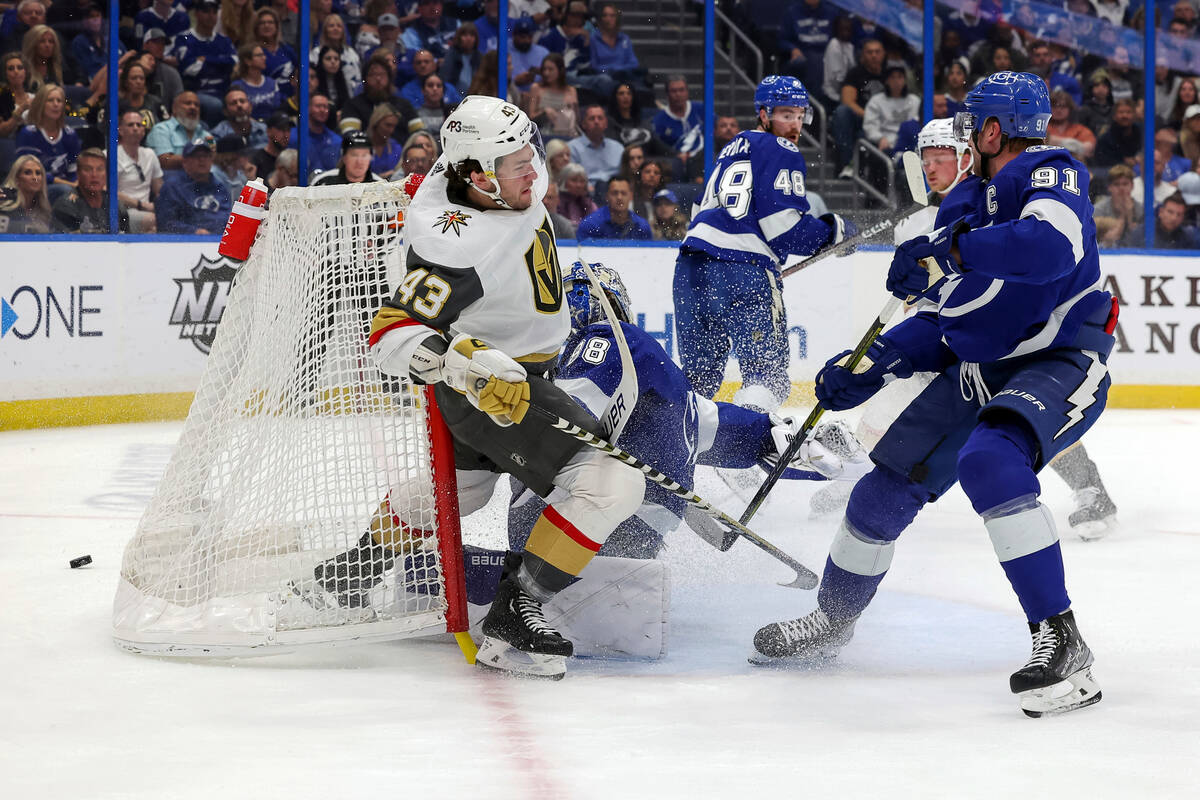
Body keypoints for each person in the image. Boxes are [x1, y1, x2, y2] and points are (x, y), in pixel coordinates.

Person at [754, 72, 1114, 719]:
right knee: (879, 493)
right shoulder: (963, 204)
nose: (965, 137)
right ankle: (833, 620)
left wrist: (952, 248)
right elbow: (948, 325)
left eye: (972, 125)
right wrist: (876, 362)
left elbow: (1049, 247)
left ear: (994, 130)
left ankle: (1063, 644)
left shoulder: (1049, 172)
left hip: (1061, 360)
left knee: (991, 460)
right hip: (978, 369)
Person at [310, 96, 646, 680]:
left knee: (462, 490)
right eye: (512, 161)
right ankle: (516, 618)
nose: (531, 168)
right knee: (611, 482)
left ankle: (347, 575)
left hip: (512, 369)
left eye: (527, 152)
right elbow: (390, 333)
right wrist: (462, 364)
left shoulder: (476, 179)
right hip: (497, 388)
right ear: (474, 174)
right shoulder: (456, 249)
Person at [673, 75, 854, 413]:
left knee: (697, 382)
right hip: (743, 268)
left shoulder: (731, 149)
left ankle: (672, 454)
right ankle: (742, 460)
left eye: (801, 116)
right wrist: (833, 232)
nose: (795, 125)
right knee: (766, 378)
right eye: (786, 114)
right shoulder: (781, 148)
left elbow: (702, 213)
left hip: (690, 269)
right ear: (764, 113)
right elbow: (784, 228)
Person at [173, 0, 238, 126]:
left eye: (214, 12)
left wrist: (206, 60)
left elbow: (234, 62)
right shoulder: (185, 38)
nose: (211, 16)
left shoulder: (223, 40)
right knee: (215, 105)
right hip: (198, 91)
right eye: (206, 11)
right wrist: (221, 62)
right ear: (197, 14)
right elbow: (189, 68)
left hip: (224, 89)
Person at [15, 83, 80, 202]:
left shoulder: (70, 134)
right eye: (50, 100)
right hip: (36, 188)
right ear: (41, 104)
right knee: (64, 190)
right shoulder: (29, 134)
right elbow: (27, 172)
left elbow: (73, 170)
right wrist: (71, 186)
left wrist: (76, 186)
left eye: (59, 101)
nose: (56, 104)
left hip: (66, 187)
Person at [154, 135, 232, 233]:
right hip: (185, 243)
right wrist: (193, 231)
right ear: (185, 162)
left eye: (206, 156)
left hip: (218, 240)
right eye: (196, 156)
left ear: (211, 160)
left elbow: (228, 219)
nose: (202, 160)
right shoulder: (172, 187)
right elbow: (165, 223)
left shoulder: (220, 187)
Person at [831, 38, 885, 178]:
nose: (873, 55)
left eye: (877, 52)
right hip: (860, 119)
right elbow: (847, 101)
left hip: (886, 120)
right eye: (869, 52)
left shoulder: (890, 74)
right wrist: (869, 116)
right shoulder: (855, 73)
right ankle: (847, 165)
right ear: (862, 55)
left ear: (883, 54)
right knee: (842, 112)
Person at [339, 51, 423, 139]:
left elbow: (420, 132)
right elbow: (350, 136)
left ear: (389, 78)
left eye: (382, 74)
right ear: (365, 80)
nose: (378, 79)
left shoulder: (403, 105)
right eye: (373, 75)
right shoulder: (353, 105)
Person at [51, 147, 128, 233]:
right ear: (78, 174)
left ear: (106, 174)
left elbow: (128, 240)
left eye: (100, 169)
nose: (94, 174)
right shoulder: (65, 206)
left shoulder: (115, 205)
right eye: (87, 169)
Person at [116, 109, 164, 232]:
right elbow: (108, 191)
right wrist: (140, 205)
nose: (136, 128)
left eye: (139, 125)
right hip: (122, 212)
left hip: (147, 211)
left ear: (144, 131)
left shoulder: (150, 154)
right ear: (120, 130)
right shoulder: (111, 155)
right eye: (130, 125)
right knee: (154, 221)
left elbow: (159, 190)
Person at [146, 91, 210, 170]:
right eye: (188, 103)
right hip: (173, 179)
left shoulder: (208, 136)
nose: (193, 107)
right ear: (174, 109)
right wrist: (193, 159)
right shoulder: (160, 130)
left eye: (197, 105)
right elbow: (164, 160)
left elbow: (214, 155)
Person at [576, 175, 650, 240]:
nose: (619, 197)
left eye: (624, 193)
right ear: (607, 196)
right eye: (615, 193)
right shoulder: (590, 225)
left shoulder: (642, 226)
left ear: (631, 196)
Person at [288, 93, 342, 177]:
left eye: (325, 107)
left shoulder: (336, 140)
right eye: (318, 106)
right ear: (308, 108)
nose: (322, 110)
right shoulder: (293, 136)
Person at [526, 52, 577, 139]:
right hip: (543, 134)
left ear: (560, 70)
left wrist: (572, 106)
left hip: (566, 134)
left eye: (550, 69)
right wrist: (544, 113)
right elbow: (530, 117)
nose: (546, 73)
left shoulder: (570, 90)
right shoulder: (536, 88)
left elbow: (577, 120)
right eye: (544, 69)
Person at [652, 75, 703, 159]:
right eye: (673, 91)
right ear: (667, 94)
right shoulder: (658, 121)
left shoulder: (701, 109)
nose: (678, 94)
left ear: (687, 92)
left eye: (681, 90)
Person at [568, 103, 623, 182]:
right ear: (583, 124)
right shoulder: (572, 148)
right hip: (585, 191)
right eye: (592, 118)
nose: (596, 122)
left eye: (600, 118)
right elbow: (571, 179)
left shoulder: (618, 148)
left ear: (606, 124)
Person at [1093, 163, 1143, 248]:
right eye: (1116, 184)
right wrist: (1122, 216)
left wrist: (1129, 215)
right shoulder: (1098, 209)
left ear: (1132, 185)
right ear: (1109, 187)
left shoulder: (1141, 210)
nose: (1121, 188)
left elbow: (1140, 242)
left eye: (1125, 184)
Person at [230, 42, 283, 121]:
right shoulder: (237, 86)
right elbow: (237, 113)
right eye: (259, 55)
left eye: (263, 54)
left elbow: (277, 109)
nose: (264, 58)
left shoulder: (272, 83)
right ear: (248, 61)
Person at [0, 153, 51, 232]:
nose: (35, 178)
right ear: (16, 178)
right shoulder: (3, 200)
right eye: (27, 173)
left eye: (38, 173)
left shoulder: (45, 210)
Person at [312, 130, 384, 185]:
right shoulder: (323, 181)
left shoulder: (381, 186)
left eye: (364, 155)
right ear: (344, 157)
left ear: (371, 158)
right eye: (354, 155)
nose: (359, 161)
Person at [249, 111, 291, 180]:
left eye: (288, 130)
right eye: (281, 129)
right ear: (268, 131)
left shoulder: (291, 160)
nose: (286, 135)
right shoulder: (256, 159)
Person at [366, 103, 402, 178]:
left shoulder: (396, 148)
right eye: (388, 125)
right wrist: (379, 177)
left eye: (394, 126)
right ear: (376, 122)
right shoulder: (359, 145)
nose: (391, 130)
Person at [555, 161, 595, 226]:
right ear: (563, 181)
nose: (578, 185)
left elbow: (595, 224)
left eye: (582, 181)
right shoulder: (555, 201)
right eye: (574, 180)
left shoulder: (588, 203)